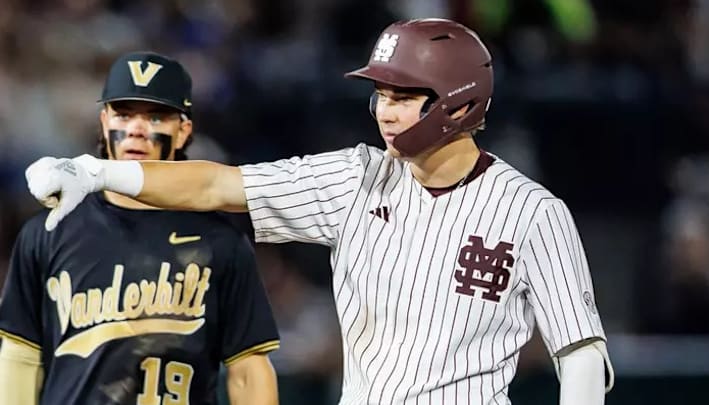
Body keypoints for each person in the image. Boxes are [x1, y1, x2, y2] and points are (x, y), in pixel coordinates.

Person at [25, 19, 614, 404]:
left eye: (404, 96)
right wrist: (100, 171)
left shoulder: (532, 210)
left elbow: (582, 355)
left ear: (459, 105)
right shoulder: (355, 178)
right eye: (381, 92)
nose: (384, 109)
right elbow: (216, 186)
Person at [1, 51, 280, 405]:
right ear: (104, 121)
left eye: (155, 116)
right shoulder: (50, 231)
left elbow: (248, 369)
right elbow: (21, 354)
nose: (136, 128)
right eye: (124, 113)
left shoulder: (220, 241)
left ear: (183, 132)